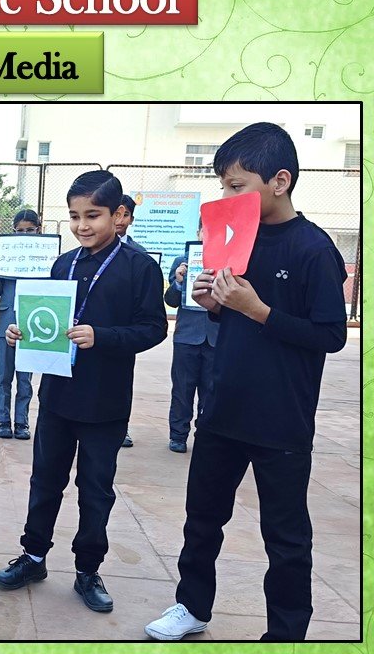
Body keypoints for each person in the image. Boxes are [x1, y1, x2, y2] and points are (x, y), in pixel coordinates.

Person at [145, 123, 348, 642]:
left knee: (286, 538)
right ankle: (192, 607)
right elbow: (234, 318)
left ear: (279, 181)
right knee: (202, 519)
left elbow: (331, 335)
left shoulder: (314, 249)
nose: (228, 196)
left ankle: (286, 633)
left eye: (237, 185)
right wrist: (215, 305)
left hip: (282, 420)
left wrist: (259, 310)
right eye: (223, 186)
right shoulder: (238, 238)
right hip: (223, 408)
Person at [0, 170, 167, 613]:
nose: (82, 225)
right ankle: (33, 557)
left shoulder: (140, 267)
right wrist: (21, 332)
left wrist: (102, 336)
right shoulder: (63, 264)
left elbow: (153, 328)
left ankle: (88, 570)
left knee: (95, 490)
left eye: (93, 215)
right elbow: (46, 320)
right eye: (74, 216)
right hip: (57, 396)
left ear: (118, 214)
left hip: (105, 402)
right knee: (44, 480)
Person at [163, 222, 218, 454]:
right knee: (182, 389)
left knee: (211, 391)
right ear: (198, 233)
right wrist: (178, 282)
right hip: (187, 336)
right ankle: (178, 435)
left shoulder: (229, 263)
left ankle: (205, 435)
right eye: (206, 230)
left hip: (216, 337)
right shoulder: (182, 261)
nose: (209, 235)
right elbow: (170, 300)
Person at [0, 209, 40, 440]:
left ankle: (21, 422)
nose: (25, 234)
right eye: (20, 231)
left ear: (38, 230)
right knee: (4, 376)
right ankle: (3, 420)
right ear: (13, 231)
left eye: (30, 230)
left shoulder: (44, 257)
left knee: (25, 379)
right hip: (6, 321)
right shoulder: (6, 255)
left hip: (32, 323)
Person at [115, 193, 145, 448]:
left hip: (123, 336)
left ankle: (121, 428)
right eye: (118, 213)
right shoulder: (73, 259)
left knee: (122, 382)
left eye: (126, 215)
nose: (120, 220)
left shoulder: (139, 257)